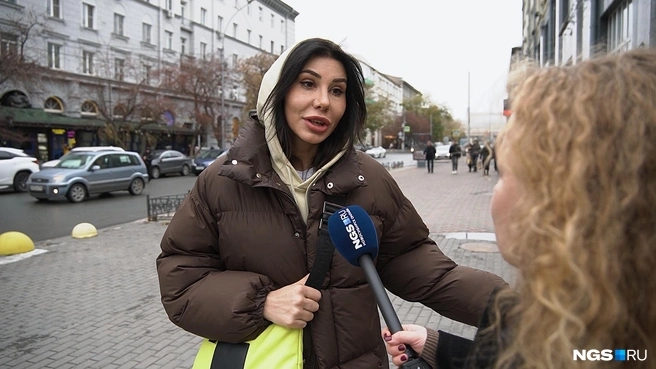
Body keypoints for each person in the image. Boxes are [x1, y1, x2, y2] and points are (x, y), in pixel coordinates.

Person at [156, 38, 507, 369]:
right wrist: (260, 303)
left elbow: (423, 267)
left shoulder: (368, 177)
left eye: (337, 90)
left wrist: (515, 308)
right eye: (308, 83)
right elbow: (181, 280)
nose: (324, 101)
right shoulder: (223, 180)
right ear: (276, 92)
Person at [381, 48, 656, 369]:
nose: (494, 190)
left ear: (564, 199)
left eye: (507, 172)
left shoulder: (606, 346)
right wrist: (439, 348)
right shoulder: (587, 317)